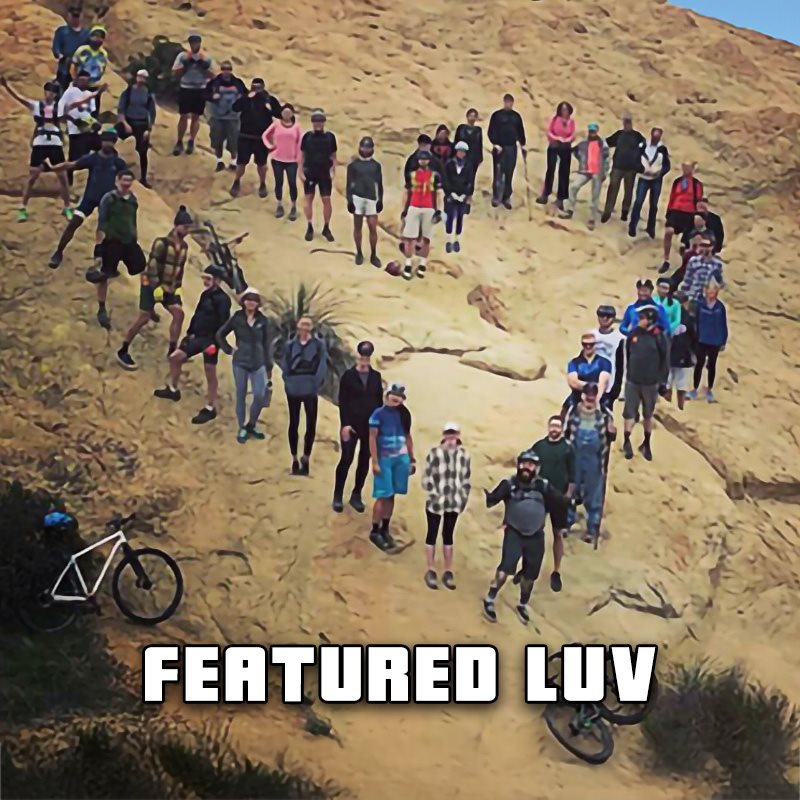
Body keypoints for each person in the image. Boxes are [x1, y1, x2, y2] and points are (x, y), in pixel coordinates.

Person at [482, 451, 568, 624]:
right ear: (518, 465)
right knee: (505, 570)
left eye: (531, 465)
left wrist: (571, 501)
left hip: (536, 536)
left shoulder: (543, 486)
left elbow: (559, 500)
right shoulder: (509, 484)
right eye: (524, 464)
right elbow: (493, 499)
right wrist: (490, 497)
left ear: (537, 468)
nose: (527, 468)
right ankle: (490, 597)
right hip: (514, 533)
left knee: (530, 576)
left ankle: (522, 604)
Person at [154, 265, 232, 424]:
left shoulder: (223, 300)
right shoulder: (205, 295)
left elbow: (224, 325)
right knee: (175, 358)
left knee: (210, 373)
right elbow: (197, 315)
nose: (205, 282)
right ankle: (173, 389)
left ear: (217, 280)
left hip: (210, 340)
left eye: (209, 279)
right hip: (197, 337)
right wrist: (189, 333)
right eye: (204, 278)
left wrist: (215, 343)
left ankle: (210, 407)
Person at [116, 205, 192, 369]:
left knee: (179, 314)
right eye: (185, 227)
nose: (187, 231)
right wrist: (156, 287)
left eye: (188, 228)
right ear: (177, 225)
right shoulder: (162, 243)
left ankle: (172, 350)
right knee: (143, 318)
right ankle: (123, 349)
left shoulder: (184, 247)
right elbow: (152, 267)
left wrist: (177, 288)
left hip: (169, 288)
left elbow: (180, 269)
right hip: (151, 286)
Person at [48, 128, 127, 270]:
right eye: (106, 141)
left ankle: (99, 260)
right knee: (73, 223)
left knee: (103, 230)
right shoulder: (93, 158)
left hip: (107, 201)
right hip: (89, 199)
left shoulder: (118, 162)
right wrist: (54, 168)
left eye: (111, 141)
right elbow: (72, 164)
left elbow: (125, 181)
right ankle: (58, 252)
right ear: (101, 141)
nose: (108, 144)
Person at [0, 76, 72, 221]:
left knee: (63, 177)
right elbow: (19, 98)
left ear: (55, 94)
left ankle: (67, 207)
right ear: (44, 92)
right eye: (48, 91)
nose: (50, 94)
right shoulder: (36, 105)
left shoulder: (59, 107)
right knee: (32, 177)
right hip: (40, 143)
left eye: (52, 92)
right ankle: (22, 207)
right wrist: (7, 87)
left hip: (55, 144)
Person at [84, 169, 146, 329]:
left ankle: (146, 304)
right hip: (111, 241)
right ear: (117, 181)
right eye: (124, 180)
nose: (126, 183)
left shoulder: (133, 200)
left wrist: (135, 236)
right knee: (104, 275)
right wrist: (99, 248)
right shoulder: (109, 199)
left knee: (142, 267)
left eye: (129, 181)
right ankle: (101, 308)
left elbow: (132, 220)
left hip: (128, 241)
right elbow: (101, 223)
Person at [216, 287, 273, 442]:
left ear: (258, 303)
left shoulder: (263, 321)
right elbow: (220, 334)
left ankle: (251, 424)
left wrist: (269, 366)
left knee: (260, 395)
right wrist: (229, 349)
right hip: (240, 362)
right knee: (241, 394)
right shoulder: (237, 318)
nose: (251, 302)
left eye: (254, 300)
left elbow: (267, 344)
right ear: (243, 301)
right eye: (248, 299)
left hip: (258, 362)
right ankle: (242, 426)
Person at [333, 340, 383, 514]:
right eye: (362, 357)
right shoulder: (348, 376)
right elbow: (343, 401)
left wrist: (378, 426)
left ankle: (356, 494)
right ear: (357, 357)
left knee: (364, 461)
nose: (364, 361)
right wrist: (345, 424)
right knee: (346, 459)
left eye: (367, 358)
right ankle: (337, 495)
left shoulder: (376, 377)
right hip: (351, 424)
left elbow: (379, 402)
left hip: (369, 427)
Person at [422, 422, 471, 590]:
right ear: (444, 435)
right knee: (432, 534)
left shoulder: (464, 456)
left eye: (453, 434)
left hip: (454, 502)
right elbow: (426, 477)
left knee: (448, 535)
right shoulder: (434, 454)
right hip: (436, 501)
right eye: (448, 434)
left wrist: (463, 498)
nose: (451, 438)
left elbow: (466, 479)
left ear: (458, 436)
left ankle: (448, 570)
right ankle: (430, 569)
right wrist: (433, 491)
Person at [564, 384, 615, 543]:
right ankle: (567, 522)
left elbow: (611, 436)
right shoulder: (573, 411)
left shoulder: (604, 414)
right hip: (575, 457)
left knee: (594, 495)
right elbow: (566, 433)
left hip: (595, 460)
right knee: (571, 490)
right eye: (588, 395)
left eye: (593, 396)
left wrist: (612, 432)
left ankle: (592, 529)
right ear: (583, 396)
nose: (590, 399)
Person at [530, 415, 575, 592]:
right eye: (552, 426)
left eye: (557, 426)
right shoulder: (539, 446)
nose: (554, 429)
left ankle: (556, 571)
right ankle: (529, 566)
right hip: (540, 496)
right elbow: (528, 466)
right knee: (535, 532)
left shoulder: (568, 448)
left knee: (558, 534)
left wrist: (568, 496)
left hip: (559, 497)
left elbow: (573, 475)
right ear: (548, 427)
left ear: (562, 429)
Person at [368, 383, 415, 552]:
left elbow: (407, 436)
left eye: (400, 396)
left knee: (392, 494)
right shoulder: (378, 414)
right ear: (387, 395)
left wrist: (412, 459)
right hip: (384, 459)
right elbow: (372, 438)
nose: (396, 398)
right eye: (393, 394)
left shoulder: (404, 414)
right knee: (383, 494)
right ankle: (375, 530)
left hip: (400, 459)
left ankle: (385, 528)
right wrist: (374, 461)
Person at [281, 316, 328, 475]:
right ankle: (294, 458)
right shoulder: (290, 345)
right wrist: (288, 382)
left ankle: (306, 457)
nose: (305, 327)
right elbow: (285, 364)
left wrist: (316, 383)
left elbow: (322, 364)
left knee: (311, 423)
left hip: (310, 387)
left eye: (308, 324)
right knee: (294, 422)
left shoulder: (318, 345)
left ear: (312, 327)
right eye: (303, 324)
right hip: (294, 387)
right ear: (297, 325)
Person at [622, 307, 668, 461]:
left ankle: (646, 443)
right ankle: (627, 441)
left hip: (650, 383)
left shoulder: (659, 337)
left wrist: (663, 382)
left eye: (642, 318)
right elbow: (628, 353)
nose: (639, 320)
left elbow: (665, 360)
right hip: (633, 380)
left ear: (650, 320)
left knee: (648, 414)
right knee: (629, 412)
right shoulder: (634, 334)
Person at [230, 77, 281, 198]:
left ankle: (262, 183)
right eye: (254, 87)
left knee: (262, 164)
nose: (256, 90)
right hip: (245, 136)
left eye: (259, 88)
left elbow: (279, 114)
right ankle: (236, 181)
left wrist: (270, 109)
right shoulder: (246, 98)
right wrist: (247, 98)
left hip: (261, 139)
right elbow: (235, 107)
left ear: (263, 88)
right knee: (241, 163)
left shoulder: (270, 100)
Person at [558, 122, 609, 230]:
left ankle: (592, 219)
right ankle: (569, 210)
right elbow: (574, 151)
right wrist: (581, 160)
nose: (592, 133)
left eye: (593, 131)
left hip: (597, 172)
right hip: (585, 170)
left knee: (595, 196)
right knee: (573, 187)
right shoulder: (584, 143)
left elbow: (607, 159)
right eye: (590, 131)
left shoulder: (602, 144)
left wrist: (604, 172)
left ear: (597, 131)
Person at [401, 150, 442, 280]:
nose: (423, 161)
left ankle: (422, 264)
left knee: (426, 238)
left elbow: (438, 194)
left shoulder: (435, 176)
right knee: (409, 237)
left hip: (428, 207)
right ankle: (408, 263)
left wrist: (438, 210)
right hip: (414, 206)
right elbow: (406, 192)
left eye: (425, 159)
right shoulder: (411, 175)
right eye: (421, 159)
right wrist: (404, 209)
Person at [171, 33, 214, 156]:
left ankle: (191, 141)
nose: (194, 45)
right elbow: (174, 72)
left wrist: (204, 67)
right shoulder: (182, 56)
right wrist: (185, 65)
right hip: (186, 88)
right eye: (192, 43)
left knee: (196, 117)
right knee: (183, 115)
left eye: (196, 42)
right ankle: (179, 141)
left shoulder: (206, 57)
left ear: (200, 43)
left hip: (200, 89)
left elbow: (213, 75)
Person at [600, 112, 646, 224]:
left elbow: (645, 147)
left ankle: (625, 211)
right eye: (625, 122)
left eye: (628, 122)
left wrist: (639, 162)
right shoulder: (619, 134)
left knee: (628, 191)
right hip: (618, 166)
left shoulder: (637, 136)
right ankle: (607, 212)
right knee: (612, 189)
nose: (627, 124)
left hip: (631, 168)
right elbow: (607, 142)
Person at [345, 136, 383, 267]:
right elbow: (349, 184)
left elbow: (379, 184)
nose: (366, 149)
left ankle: (373, 254)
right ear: (360, 147)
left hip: (371, 198)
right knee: (358, 226)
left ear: (372, 149)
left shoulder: (376, 166)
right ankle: (359, 252)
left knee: (373, 227)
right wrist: (349, 200)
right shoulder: (353, 165)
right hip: (357, 197)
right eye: (364, 147)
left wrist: (380, 199)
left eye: (368, 147)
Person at [58, 70, 106, 173]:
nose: (84, 83)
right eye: (82, 80)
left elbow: (90, 113)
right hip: (76, 132)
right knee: (74, 160)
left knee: (99, 152)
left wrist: (94, 123)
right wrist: (73, 120)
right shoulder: (70, 92)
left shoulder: (88, 93)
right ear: (77, 80)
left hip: (89, 130)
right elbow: (61, 110)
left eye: (86, 81)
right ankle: (69, 180)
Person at [300, 109, 338, 242]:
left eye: (320, 121)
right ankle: (309, 226)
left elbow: (333, 155)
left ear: (324, 122)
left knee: (326, 200)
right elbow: (302, 155)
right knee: (308, 200)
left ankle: (326, 227)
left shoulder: (330, 137)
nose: (318, 123)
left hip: (324, 172)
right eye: (315, 121)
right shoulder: (307, 137)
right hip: (310, 171)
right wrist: (300, 170)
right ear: (312, 122)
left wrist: (333, 169)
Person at [661, 162, 703, 273]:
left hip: (688, 212)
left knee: (685, 243)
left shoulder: (696, 184)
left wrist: (698, 215)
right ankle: (666, 259)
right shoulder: (677, 182)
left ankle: (686, 264)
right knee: (668, 232)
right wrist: (668, 212)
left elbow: (699, 201)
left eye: (688, 168)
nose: (685, 170)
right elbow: (672, 197)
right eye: (684, 167)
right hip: (675, 210)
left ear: (693, 169)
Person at [628, 127, 670, 239]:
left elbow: (667, 166)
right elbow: (635, 160)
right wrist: (641, 169)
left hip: (656, 180)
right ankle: (632, 226)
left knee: (654, 205)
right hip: (643, 178)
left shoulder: (662, 149)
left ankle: (651, 228)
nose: (656, 138)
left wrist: (660, 173)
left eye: (658, 137)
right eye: (654, 136)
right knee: (638, 202)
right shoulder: (643, 146)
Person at [116, 69, 156, 187]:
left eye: (143, 77)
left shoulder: (148, 93)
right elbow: (121, 110)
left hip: (141, 124)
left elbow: (152, 112)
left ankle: (143, 178)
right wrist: (125, 124)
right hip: (128, 121)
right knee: (111, 136)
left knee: (143, 152)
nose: (141, 79)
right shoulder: (128, 92)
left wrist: (148, 129)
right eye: (139, 77)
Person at [690, 282, 727, 403]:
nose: (711, 293)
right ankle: (694, 388)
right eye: (709, 290)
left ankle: (709, 389)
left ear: (717, 292)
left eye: (713, 290)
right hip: (701, 339)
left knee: (712, 365)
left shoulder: (720, 307)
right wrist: (694, 337)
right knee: (699, 364)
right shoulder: (700, 305)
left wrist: (723, 340)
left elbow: (723, 324)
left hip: (715, 340)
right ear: (705, 291)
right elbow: (695, 322)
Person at [206, 61, 246, 172]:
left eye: (228, 69)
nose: (226, 71)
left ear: (231, 70)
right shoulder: (214, 82)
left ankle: (233, 162)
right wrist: (212, 97)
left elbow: (245, 95)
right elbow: (205, 94)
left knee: (234, 140)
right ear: (221, 70)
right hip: (217, 117)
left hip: (233, 117)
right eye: (224, 69)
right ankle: (219, 161)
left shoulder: (238, 83)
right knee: (217, 139)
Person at [263, 103, 302, 220]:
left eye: (289, 112)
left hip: (291, 161)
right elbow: (265, 136)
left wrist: (298, 158)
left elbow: (300, 143)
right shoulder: (276, 124)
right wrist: (270, 146)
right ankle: (279, 204)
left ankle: (293, 206)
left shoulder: (297, 127)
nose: (286, 114)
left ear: (292, 114)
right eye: (284, 112)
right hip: (277, 159)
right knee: (278, 182)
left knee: (292, 183)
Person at [487, 93, 526, 209]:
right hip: (499, 147)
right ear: (504, 102)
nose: (508, 104)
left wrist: (523, 144)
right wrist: (495, 144)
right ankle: (496, 197)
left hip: (511, 148)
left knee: (509, 173)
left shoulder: (516, 117)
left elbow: (520, 132)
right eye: (507, 102)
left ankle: (506, 197)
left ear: (512, 103)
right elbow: (491, 131)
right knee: (498, 173)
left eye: (510, 102)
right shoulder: (497, 115)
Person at [537, 101, 575, 209]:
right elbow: (549, 131)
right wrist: (557, 138)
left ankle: (561, 199)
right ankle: (545, 194)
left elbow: (573, 135)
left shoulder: (571, 121)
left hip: (565, 147)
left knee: (564, 172)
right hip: (554, 146)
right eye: (562, 109)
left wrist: (566, 140)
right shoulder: (555, 119)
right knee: (551, 169)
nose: (564, 111)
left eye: (566, 109)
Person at [564, 332, 612, 412]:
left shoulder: (604, 362)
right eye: (585, 344)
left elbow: (603, 383)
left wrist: (596, 399)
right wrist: (590, 387)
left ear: (595, 345)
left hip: (599, 394)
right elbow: (573, 382)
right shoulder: (574, 362)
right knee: (568, 407)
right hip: (578, 395)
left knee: (607, 408)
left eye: (591, 344)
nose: (588, 347)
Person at [666, 293, 696, 410]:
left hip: (669, 352)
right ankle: (680, 407)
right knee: (681, 382)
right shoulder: (688, 318)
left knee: (667, 380)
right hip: (683, 353)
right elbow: (694, 336)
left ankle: (667, 405)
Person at [593, 304, 625, 411]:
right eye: (602, 315)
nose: (605, 318)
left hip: (610, 385)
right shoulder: (591, 335)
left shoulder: (620, 338)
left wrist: (619, 389)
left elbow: (622, 365)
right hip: (591, 382)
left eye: (609, 316)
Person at [443, 141, 474, 253]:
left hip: (462, 195)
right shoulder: (449, 164)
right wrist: (450, 193)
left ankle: (457, 240)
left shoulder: (468, 165)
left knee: (460, 217)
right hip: (451, 194)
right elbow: (446, 179)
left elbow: (470, 181)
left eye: (463, 152)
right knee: (450, 217)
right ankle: (448, 240)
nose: (461, 153)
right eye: (459, 151)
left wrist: (465, 194)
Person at [679, 236, 725, 312]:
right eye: (702, 245)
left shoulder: (717, 264)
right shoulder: (694, 261)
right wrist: (684, 299)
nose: (704, 248)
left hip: (708, 300)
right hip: (693, 298)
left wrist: (718, 279)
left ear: (712, 247)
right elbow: (687, 280)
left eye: (707, 246)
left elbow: (721, 284)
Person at [52, 6, 89, 91]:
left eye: (77, 16)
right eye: (73, 16)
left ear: (82, 16)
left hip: (81, 69)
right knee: (62, 91)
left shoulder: (86, 33)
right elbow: (56, 47)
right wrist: (59, 55)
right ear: (68, 16)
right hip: (64, 67)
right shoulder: (62, 31)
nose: (75, 18)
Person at [71, 25, 108, 104]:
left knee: (93, 108)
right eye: (96, 36)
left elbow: (103, 69)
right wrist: (75, 80)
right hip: (80, 85)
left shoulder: (103, 53)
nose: (97, 39)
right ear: (90, 36)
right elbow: (73, 65)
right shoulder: (82, 50)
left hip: (94, 86)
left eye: (101, 37)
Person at [454, 108, 483, 207]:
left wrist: (480, 158)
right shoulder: (461, 128)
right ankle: (458, 196)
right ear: (467, 116)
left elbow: (479, 144)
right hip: (461, 156)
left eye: (474, 116)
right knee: (460, 176)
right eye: (470, 115)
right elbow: (456, 141)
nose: (472, 118)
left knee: (471, 178)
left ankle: (468, 197)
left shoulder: (478, 130)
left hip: (473, 157)